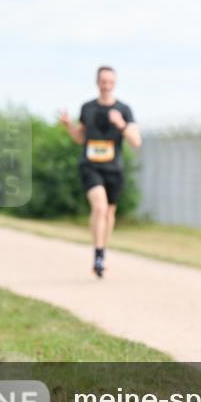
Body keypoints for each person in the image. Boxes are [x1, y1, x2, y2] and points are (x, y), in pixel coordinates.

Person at [59, 66, 141, 278]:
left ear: (115, 83)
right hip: (90, 166)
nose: (106, 86)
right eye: (103, 81)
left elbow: (136, 141)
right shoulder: (87, 108)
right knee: (99, 208)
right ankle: (97, 255)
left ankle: (102, 252)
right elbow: (80, 138)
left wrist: (121, 124)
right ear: (97, 82)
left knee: (109, 213)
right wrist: (69, 126)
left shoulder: (124, 109)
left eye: (110, 82)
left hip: (113, 169)